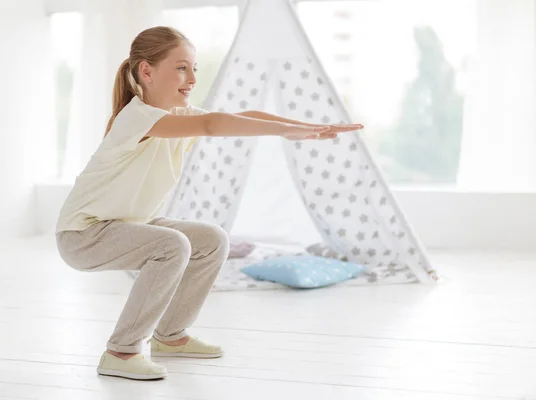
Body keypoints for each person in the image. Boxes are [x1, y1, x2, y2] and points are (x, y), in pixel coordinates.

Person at [55, 26, 363, 381]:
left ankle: (171, 337)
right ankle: (121, 352)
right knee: (173, 245)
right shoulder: (138, 116)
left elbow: (245, 115)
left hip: (126, 225)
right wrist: (284, 130)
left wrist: (304, 126)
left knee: (212, 239)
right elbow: (215, 125)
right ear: (147, 71)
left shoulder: (176, 115)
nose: (191, 79)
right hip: (83, 235)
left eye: (195, 69)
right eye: (182, 68)